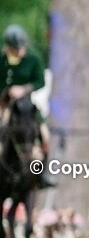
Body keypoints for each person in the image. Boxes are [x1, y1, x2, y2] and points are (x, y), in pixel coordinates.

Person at [0, 24, 55, 188]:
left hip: (26, 107)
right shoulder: (2, 60)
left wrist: (24, 89)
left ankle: (41, 176)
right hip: (3, 105)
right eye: (16, 48)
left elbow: (40, 81)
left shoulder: (33, 59)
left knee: (45, 135)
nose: (20, 51)